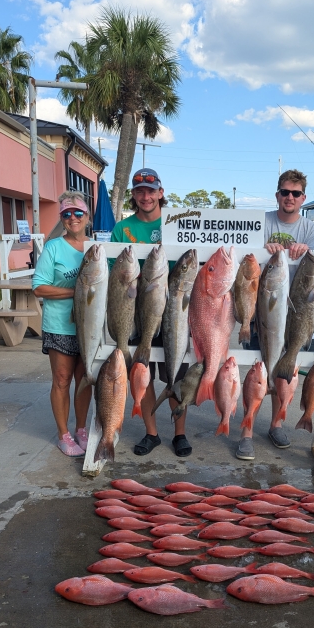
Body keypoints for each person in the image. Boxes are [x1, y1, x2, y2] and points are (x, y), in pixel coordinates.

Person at [236, 169, 314, 460]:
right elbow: (245, 258)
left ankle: (276, 424)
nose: (290, 197)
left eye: (295, 193)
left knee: (284, 372)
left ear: (303, 198)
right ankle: (247, 430)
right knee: (257, 370)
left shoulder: (311, 230)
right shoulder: (260, 223)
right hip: (263, 309)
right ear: (277, 195)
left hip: (295, 312)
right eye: (285, 192)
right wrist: (263, 250)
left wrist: (308, 250)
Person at [110, 168, 192, 458]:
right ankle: (152, 433)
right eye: (140, 191)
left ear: (160, 192)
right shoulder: (122, 229)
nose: (146, 196)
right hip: (137, 312)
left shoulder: (177, 223)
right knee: (141, 372)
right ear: (133, 195)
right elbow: (114, 273)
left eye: (151, 190)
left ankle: (179, 433)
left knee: (176, 375)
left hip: (173, 310)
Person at [32, 192, 93, 456]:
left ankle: (81, 429)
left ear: (87, 216)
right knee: (62, 379)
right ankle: (63, 434)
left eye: (78, 213)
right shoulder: (53, 247)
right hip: (60, 325)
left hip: (90, 326)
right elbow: (39, 287)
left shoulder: (97, 247)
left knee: (85, 379)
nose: (72, 218)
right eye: (66, 214)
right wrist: (76, 291)